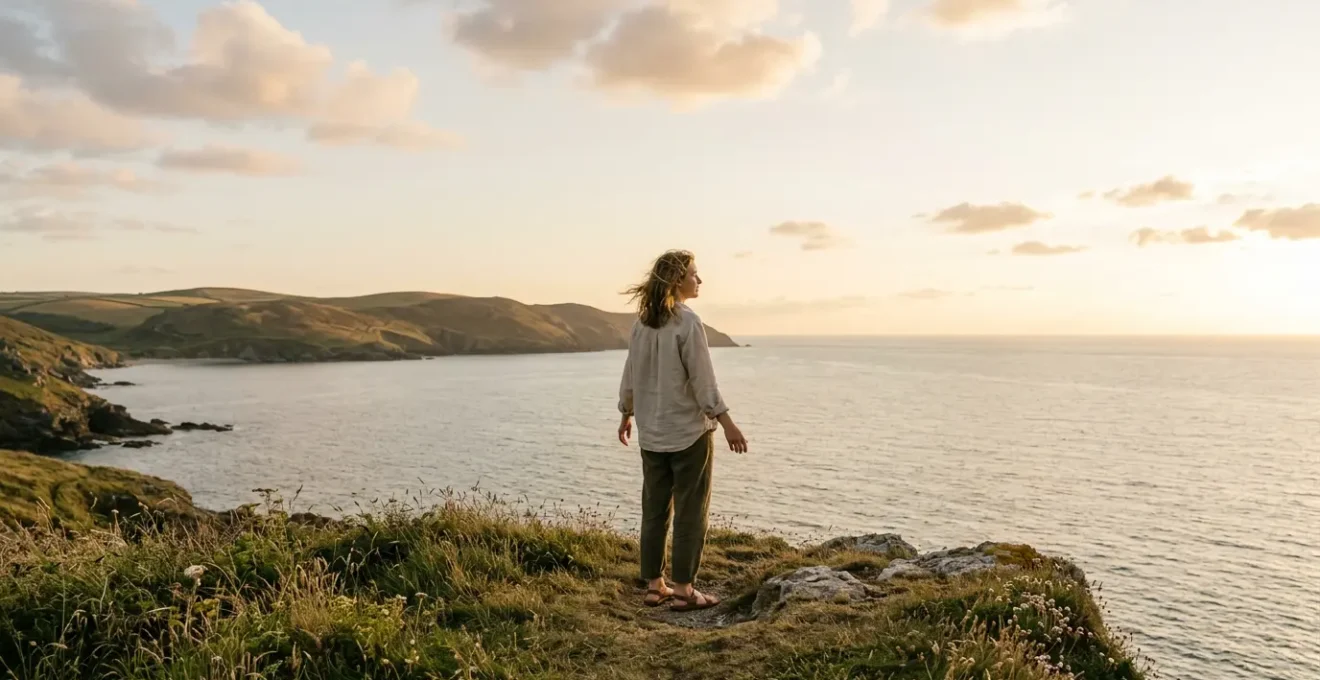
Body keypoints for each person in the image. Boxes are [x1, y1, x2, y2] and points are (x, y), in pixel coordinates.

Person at [616, 249, 749, 612]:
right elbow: (703, 381)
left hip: (652, 434)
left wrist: (626, 412)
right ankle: (684, 590)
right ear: (677, 280)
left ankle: (654, 585)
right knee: (691, 511)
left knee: (654, 509)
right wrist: (727, 422)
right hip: (689, 433)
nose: (699, 280)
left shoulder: (641, 323)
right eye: (694, 273)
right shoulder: (688, 323)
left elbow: (631, 375)